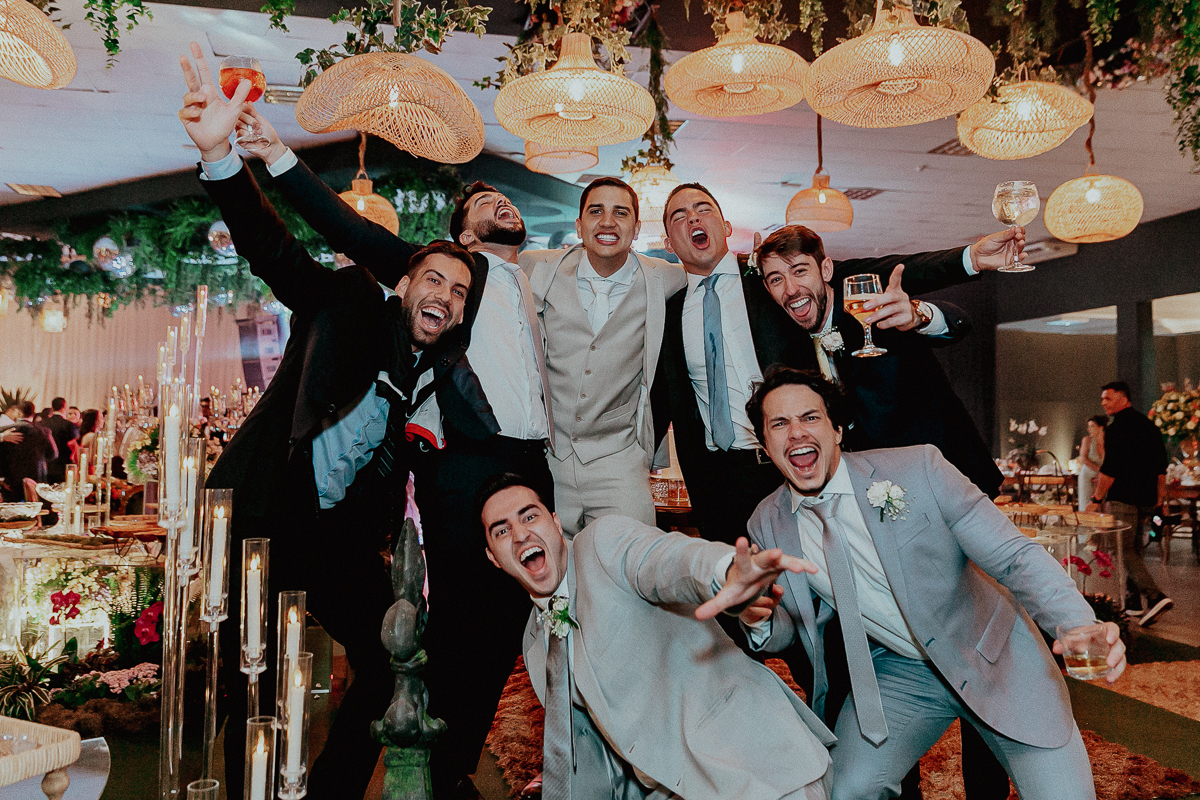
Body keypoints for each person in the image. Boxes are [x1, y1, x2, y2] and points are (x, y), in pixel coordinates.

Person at [177, 42, 484, 800]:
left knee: (391, 659)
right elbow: (275, 252)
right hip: (264, 516)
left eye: (459, 292)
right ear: (406, 283)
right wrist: (221, 157)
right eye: (433, 278)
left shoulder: (445, 377)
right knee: (230, 680)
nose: (443, 294)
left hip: (344, 537)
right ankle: (190, 783)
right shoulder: (348, 307)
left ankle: (329, 792)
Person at [744, 367, 1126, 800]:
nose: (795, 432)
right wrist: (756, 616)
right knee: (846, 789)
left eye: (809, 418)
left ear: (836, 428)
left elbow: (1014, 556)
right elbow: (785, 625)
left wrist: (1077, 622)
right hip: (902, 673)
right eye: (778, 424)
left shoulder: (919, 468)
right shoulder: (767, 522)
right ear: (764, 443)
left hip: (993, 655)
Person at [651, 184, 1022, 548]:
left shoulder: (769, 279)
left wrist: (969, 259)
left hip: (802, 470)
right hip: (718, 483)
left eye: (703, 208)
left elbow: (889, 270)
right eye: (679, 216)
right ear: (668, 242)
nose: (693, 218)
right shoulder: (668, 309)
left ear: (726, 225)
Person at [479, 472, 836, 799]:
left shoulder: (603, 544)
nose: (521, 534)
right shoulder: (534, 643)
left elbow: (669, 558)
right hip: (668, 787)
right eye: (501, 530)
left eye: (530, 516)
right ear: (493, 558)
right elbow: (592, 749)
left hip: (753, 762)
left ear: (556, 523)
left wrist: (725, 570)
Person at [520, 177, 686, 534]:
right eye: (596, 211)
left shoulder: (665, 278)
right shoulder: (536, 267)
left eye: (620, 213)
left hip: (620, 460)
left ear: (636, 228)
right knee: (549, 574)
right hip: (550, 458)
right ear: (579, 225)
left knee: (632, 568)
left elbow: (710, 268)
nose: (608, 222)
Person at [1086, 381, 1172, 625]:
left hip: (1124, 496)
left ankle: (1155, 597)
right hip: (1145, 497)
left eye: (1108, 399)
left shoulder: (1116, 430)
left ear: (1124, 398)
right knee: (1134, 548)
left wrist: (1096, 499)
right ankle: (1132, 601)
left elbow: (1110, 471)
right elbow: (1160, 468)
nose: (1103, 403)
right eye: (1102, 399)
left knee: (1120, 550)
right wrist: (1159, 498)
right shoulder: (1149, 426)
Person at [0, 401, 57, 502]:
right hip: (37, 478)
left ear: (17, 412)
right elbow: (53, 454)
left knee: (13, 512)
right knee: (36, 510)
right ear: (33, 414)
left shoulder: (4, 430)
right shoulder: (44, 431)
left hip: (10, 480)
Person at [43, 397, 79, 483]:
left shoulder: (43, 423)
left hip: (46, 465)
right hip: (64, 466)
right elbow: (74, 446)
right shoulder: (69, 425)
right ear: (65, 406)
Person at [1077, 415, 1107, 512]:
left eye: (1092, 426)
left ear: (1101, 427)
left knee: (1104, 506)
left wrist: (1103, 474)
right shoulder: (1087, 440)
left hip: (1103, 477)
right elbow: (1083, 458)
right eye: (1088, 426)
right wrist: (1099, 470)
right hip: (1087, 476)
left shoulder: (1108, 442)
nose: (1088, 429)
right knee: (1086, 505)